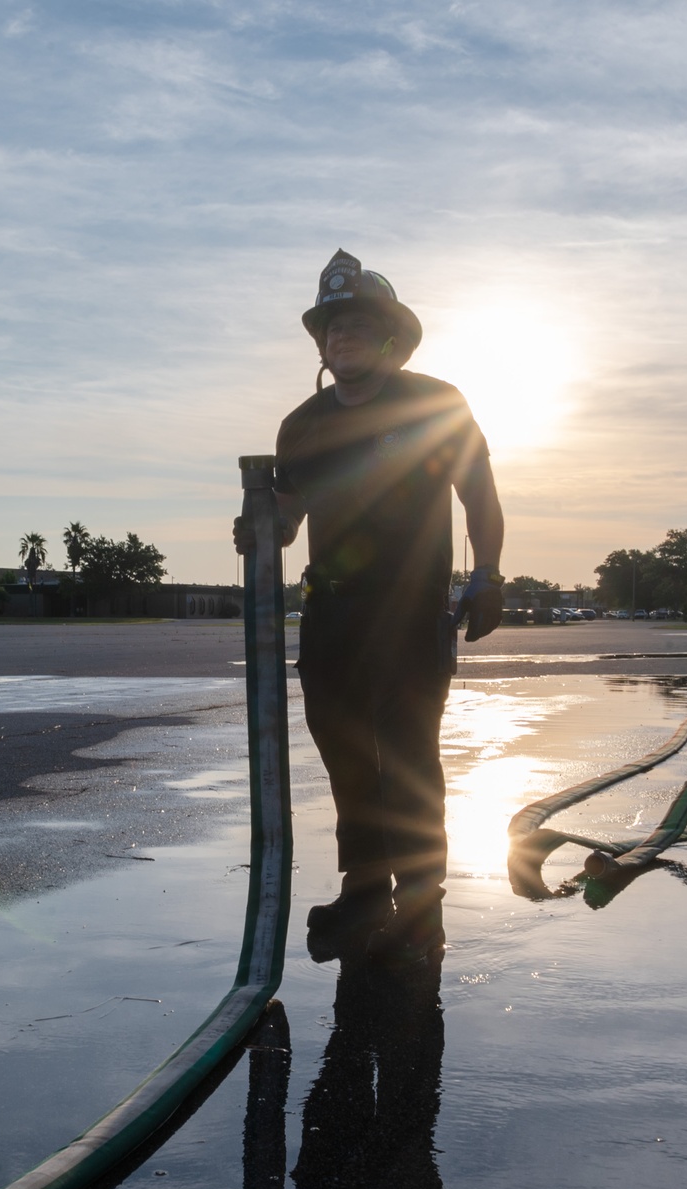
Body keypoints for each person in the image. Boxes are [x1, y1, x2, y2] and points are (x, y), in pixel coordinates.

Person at [235, 249, 504, 960]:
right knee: (347, 756)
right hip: (333, 617)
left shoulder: (433, 404)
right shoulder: (302, 426)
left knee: (408, 756)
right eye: (330, 327)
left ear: (391, 338)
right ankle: (365, 887)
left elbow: (477, 491)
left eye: (355, 324)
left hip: (411, 614)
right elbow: (290, 515)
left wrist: (490, 574)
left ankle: (420, 898)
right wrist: (262, 529)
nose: (340, 336)